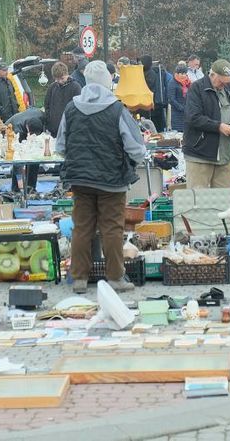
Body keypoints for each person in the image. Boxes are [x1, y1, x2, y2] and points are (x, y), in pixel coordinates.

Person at [57, 60, 143, 291]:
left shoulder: (71, 108)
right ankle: (115, 278)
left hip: (80, 178)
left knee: (82, 227)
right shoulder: (117, 109)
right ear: (107, 81)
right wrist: (133, 161)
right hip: (111, 178)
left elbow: (60, 146)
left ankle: (79, 279)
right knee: (112, 227)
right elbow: (136, 147)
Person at [183, 60, 230, 189]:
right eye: (221, 81)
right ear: (212, 74)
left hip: (225, 155)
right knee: (197, 201)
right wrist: (219, 126)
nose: (224, 85)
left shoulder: (228, 91)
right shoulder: (196, 88)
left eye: (227, 82)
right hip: (200, 156)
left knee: (226, 202)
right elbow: (193, 117)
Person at [43, 61, 82, 138]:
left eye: (62, 78)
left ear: (67, 74)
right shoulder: (52, 87)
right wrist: (48, 120)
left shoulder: (76, 87)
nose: (60, 81)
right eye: (57, 79)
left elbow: (79, 108)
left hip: (69, 130)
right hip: (53, 130)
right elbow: (46, 105)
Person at [140, 55, 168, 132]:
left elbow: (147, 87)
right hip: (151, 103)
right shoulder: (149, 73)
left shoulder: (150, 74)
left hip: (153, 103)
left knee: (155, 126)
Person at [170, 64, 191, 131]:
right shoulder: (172, 83)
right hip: (177, 114)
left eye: (185, 73)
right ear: (177, 73)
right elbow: (171, 99)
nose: (184, 75)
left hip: (186, 112)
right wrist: (181, 108)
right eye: (181, 73)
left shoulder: (187, 83)